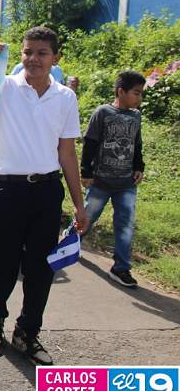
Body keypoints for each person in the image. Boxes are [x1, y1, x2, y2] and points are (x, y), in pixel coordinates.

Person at [0, 26, 88, 366]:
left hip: (45, 191)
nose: (33, 59)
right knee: (1, 261)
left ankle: (27, 333)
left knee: (41, 267)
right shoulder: (3, 87)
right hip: (6, 190)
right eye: (28, 52)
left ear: (55, 58)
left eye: (42, 53)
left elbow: (67, 152)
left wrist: (79, 204)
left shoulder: (65, 98)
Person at [81, 70, 146, 288]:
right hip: (100, 181)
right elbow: (90, 143)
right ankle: (72, 241)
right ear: (121, 91)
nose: (139, 98)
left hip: (126, 182)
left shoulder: (136, 116)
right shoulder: (102, 113)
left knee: (126, 223)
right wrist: (86, 172)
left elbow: (137, 144)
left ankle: (121, 268)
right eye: (136, 93)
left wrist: (139, 167)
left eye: (141, 93)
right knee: (88, 216)